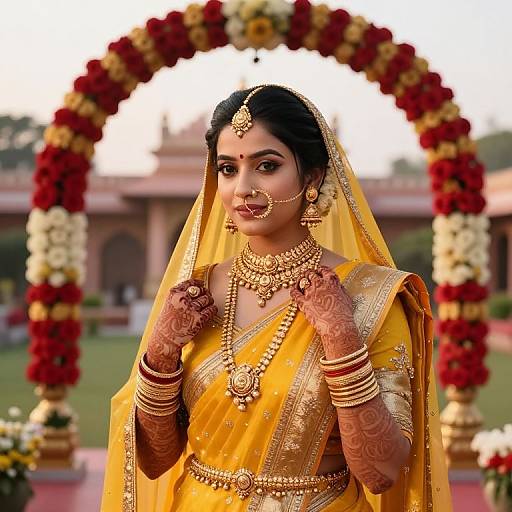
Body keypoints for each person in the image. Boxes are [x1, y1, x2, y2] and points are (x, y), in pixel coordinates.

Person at [101, 85, 452, 511]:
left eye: (266, 166)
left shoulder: (367, 296)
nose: (242, 188)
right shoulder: (194, 296)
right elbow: (155, 461)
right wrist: (160, 354)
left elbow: (381, 472)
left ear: (313, 177)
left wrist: (341, 338)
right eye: (228, 169)